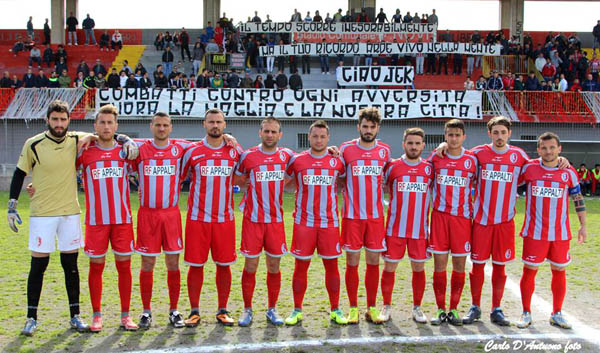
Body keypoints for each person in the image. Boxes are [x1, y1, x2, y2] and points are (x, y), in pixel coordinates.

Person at [8, 100, 138, 336]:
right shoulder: (56, 146)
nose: (59, 124)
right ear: (47, 119)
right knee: (42, 265)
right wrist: (21, 196)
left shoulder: (98, 145)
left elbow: (113, 137)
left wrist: (126, 138)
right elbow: (37, 171)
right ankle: (37, 317)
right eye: (55, 119)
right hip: (60, 216)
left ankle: (98, 316)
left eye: (63, 119)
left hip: (91, 216)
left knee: (84, 266)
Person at [75, 105, 137, 332]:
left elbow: (158, 146)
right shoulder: (85, 151)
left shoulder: (126, 151)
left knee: (124, 267)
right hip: (96, 220)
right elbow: (61, 168)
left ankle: (125, 315)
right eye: (102, 122)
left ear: (116, 126)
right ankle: (97, 315)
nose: (106, 126)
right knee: (96, 266)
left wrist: (127, 139)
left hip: (122, 220)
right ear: (95, 126)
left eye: (110, 123)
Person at [516, 132, 586, 330]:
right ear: (538, 150)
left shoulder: (569, 172)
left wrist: (583, 225)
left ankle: (557, 313)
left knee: (559, 271)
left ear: (559, 149)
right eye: (544, 148)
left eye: (552, 147)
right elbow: (510, 179)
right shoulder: (529, 168)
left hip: (560, 234)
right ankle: (526, 312)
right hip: (534, 232)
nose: (548, 151)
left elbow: (577, 199)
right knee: (529, 271)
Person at [181, 109, 243, 327]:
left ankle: (223, 310)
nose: (215, 125)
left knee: (224, 265)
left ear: (225, 125)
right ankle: (195, 311)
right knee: (195, 265)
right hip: (197, 219)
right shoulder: (193, 151)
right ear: (204, 124)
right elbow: (178, 177)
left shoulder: (234, 150)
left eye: (218, 122)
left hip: (224, 219)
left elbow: (245, 171)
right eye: (211, 122)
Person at [284, 120, 348, 326]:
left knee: (332, 267)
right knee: (300, 267)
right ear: (308, 137)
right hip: (304, 223)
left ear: (328, 138)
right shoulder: (297, 161)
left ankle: (336, 309)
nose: (319, 140)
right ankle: (297, 310)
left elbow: (345, 181)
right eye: (315, 136)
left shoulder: (337, 161)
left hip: (329, 223)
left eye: (322, 136)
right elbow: (284, 183)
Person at [132, 113, 191, 329]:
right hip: (147, 215)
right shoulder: (139, 149)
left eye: (165, 125)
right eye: (158, 125)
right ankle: (146, 311)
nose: (161, 128)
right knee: (147, 263)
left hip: (171, 214)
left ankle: (174, 310)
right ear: (151, 126)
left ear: (171, 128)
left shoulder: (179, 148)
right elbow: (118, 139)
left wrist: (228, 139)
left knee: (173, 263)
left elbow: (205, 142)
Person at [235, 117, 294, 326]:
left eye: (273, 131)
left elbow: (309, 161)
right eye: (266, 131)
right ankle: (247, 309)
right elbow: (237, 179)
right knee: (250, 265)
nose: (270, 135)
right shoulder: (248, 156)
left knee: (274, 266)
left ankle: (272, 308)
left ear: (280, 134)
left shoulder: (287, 156)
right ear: (260, 132)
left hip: (276, 221)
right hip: (252, 220)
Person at [338, 108, 391, 324]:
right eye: (365, 126)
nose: (368, 130)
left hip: (376, 217)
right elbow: (340, 177)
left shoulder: (385, 151)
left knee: (373, 262)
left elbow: (388, 180)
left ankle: (371, 307)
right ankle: (352, 308)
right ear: (358, 126)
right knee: (352, 261)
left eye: (372, 127)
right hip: (352, 216)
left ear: (378, 128)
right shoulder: (346, 150)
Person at [427, 119, 477, 326]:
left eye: (457, 135)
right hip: (439, 218)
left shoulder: (473, 160)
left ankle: (454, 309)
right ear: (445, 136)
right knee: (439, 265)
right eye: (450, 135)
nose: (454, 138)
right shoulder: (436, 158)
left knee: (459, 265)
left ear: (463, 137)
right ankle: (440, 309)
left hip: (462, 220)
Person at [379, 128, 433, 324]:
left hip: (419, 230)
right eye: (410, 143)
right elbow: (381, 186)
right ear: (404, 144)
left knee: (418, 268)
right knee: (390, 267)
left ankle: (417, 307)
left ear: (423, 146)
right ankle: (386, 306)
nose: (413, 147)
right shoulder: (392, 166)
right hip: (395, 229)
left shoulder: (429, 168)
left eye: (417, 143)